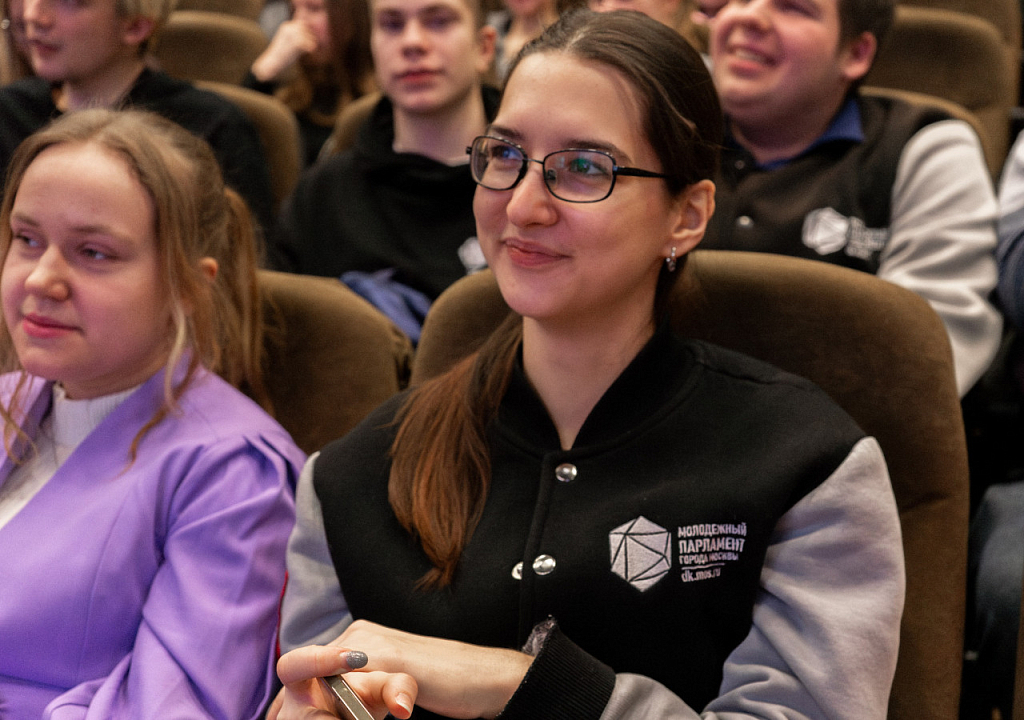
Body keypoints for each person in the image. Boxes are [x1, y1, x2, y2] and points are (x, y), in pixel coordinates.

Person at [270, 10, 904, 720]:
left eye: (584, 168)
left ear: (687, 216)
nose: (523, 205)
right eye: (504, 155)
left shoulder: (805, 463)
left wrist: (519, 684)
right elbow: (311, 697)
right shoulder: (350, 479)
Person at [0, 108, 303, 719]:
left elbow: (174, 709)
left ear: (188, 287)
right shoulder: (9, 396)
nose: (41, 279)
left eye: (93, 252)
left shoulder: (235, 475)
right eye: (27, 239)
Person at [698, 0, 1001, 398]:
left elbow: (926, 357)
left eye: (793, 7)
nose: (748, 15)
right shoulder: (662, 126)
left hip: (841, 426)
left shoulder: (923, 146)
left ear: (856, 54)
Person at [269, 0, 497, 337]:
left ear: (484, 47)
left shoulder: (528, 190)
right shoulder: (321, 198)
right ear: (372, 46)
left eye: (438, 21)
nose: (412, 42)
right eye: (391, 24)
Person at [0, 0, 276, 232]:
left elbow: (240, 267)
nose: (33, 15)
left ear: (135, 26)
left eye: (69, 1)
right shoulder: (9, 109)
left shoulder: (211, 127)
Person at [246, 0, 375, 167]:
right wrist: (264, 72)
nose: (298, 22)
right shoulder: (284, 94)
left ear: (353, 19)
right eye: (294, 10)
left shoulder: (379, 108)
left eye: (314, 9)